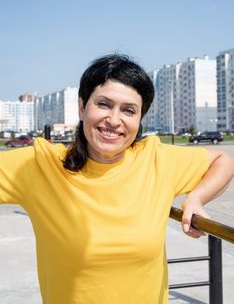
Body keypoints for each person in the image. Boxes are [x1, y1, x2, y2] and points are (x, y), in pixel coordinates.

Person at [0, 54, 234, 304]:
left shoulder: (156, 159)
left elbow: (223, 161)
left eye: (128, 110)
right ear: (82, 107)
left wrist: (196, 198)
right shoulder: (41, 164)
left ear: (139, 119)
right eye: (103, 104)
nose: (113, 120)